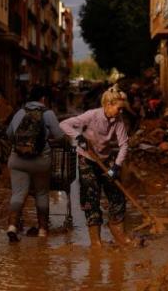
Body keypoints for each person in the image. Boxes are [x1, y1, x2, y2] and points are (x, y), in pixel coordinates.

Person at [59, 85, 132, 247]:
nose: (121, 112)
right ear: (108, 105)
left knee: (117, 196)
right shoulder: (91, 116)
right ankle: (96, 241)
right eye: (119, 109)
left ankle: (118, 231)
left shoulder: (118, 121)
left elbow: (124, 145)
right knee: (91, 198)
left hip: (106, 159)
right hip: (87, 159)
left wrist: (117, 166)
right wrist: (79, 137)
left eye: (122, 109)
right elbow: (64, 124)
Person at [5, 85, 64, 242]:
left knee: (18, 193)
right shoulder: (48, 113)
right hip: (40, 161)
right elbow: (59, 136)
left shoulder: (19, 112)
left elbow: (9, 135)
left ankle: (12, 226)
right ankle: (43, 230)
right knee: (42, 193)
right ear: (43, 99)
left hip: (17, 159)